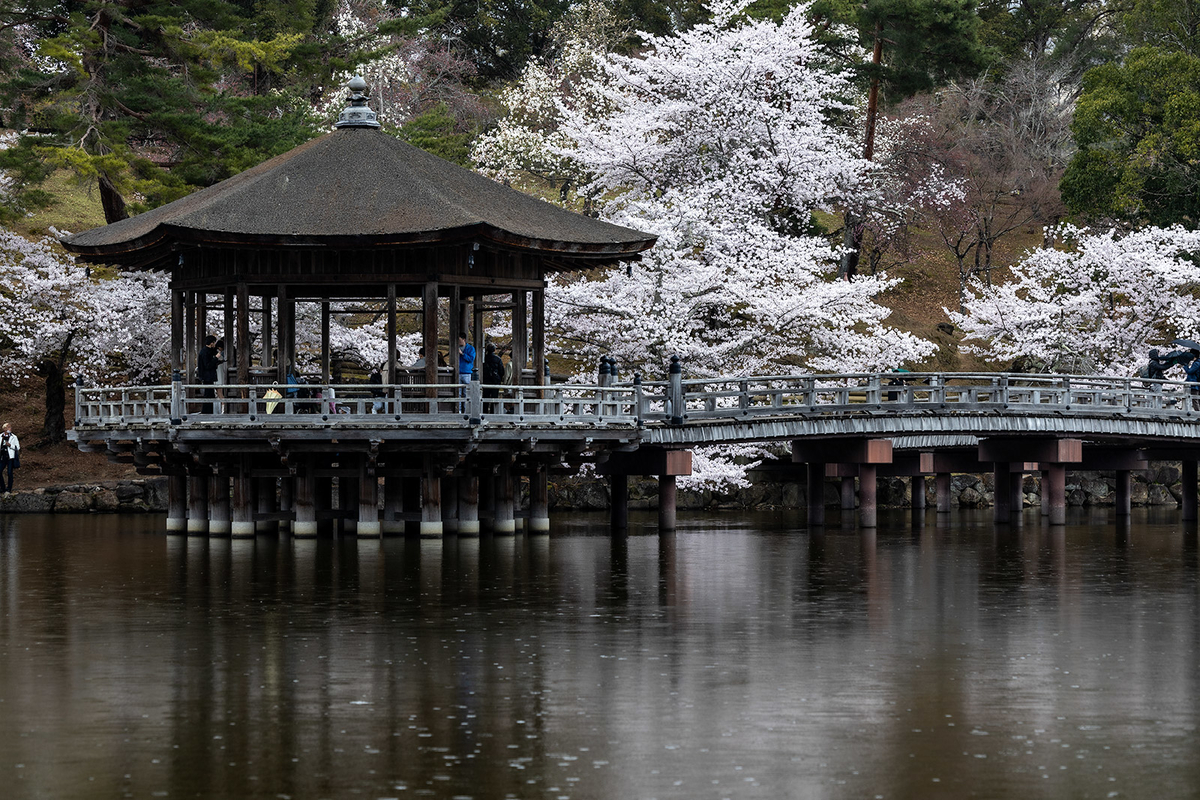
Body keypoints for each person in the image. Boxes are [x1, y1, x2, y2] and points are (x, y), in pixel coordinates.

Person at [196, 335, 223, 413]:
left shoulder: (208, 350)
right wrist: (216, 358)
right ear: (211, 343)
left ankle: (208, 411)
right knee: (208, 394)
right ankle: (206, 412)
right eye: (214, 343)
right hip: (207, 376)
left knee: (210, 394)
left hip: (209, 376)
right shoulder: (204, 352)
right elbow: (207, 365)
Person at [482, 343, 504, 412]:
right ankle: (493, 411)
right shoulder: (498, 359)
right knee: (494, 397)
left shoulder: (484, 358)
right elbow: (502, 370)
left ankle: (484, 412)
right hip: (495, 380)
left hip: (486, 380)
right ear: (494, 350)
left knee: (485, 396)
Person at [0, 423, 20, 494]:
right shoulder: (0, 436)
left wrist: (10, 445)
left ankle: (9, 488)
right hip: (2, 457)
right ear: (5, 429)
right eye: (8, 427)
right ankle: (2, 488)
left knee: (9, 473)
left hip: (10, 458)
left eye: (10, 427)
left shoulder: (14, 437)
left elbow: (18, 447)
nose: (10, 428)